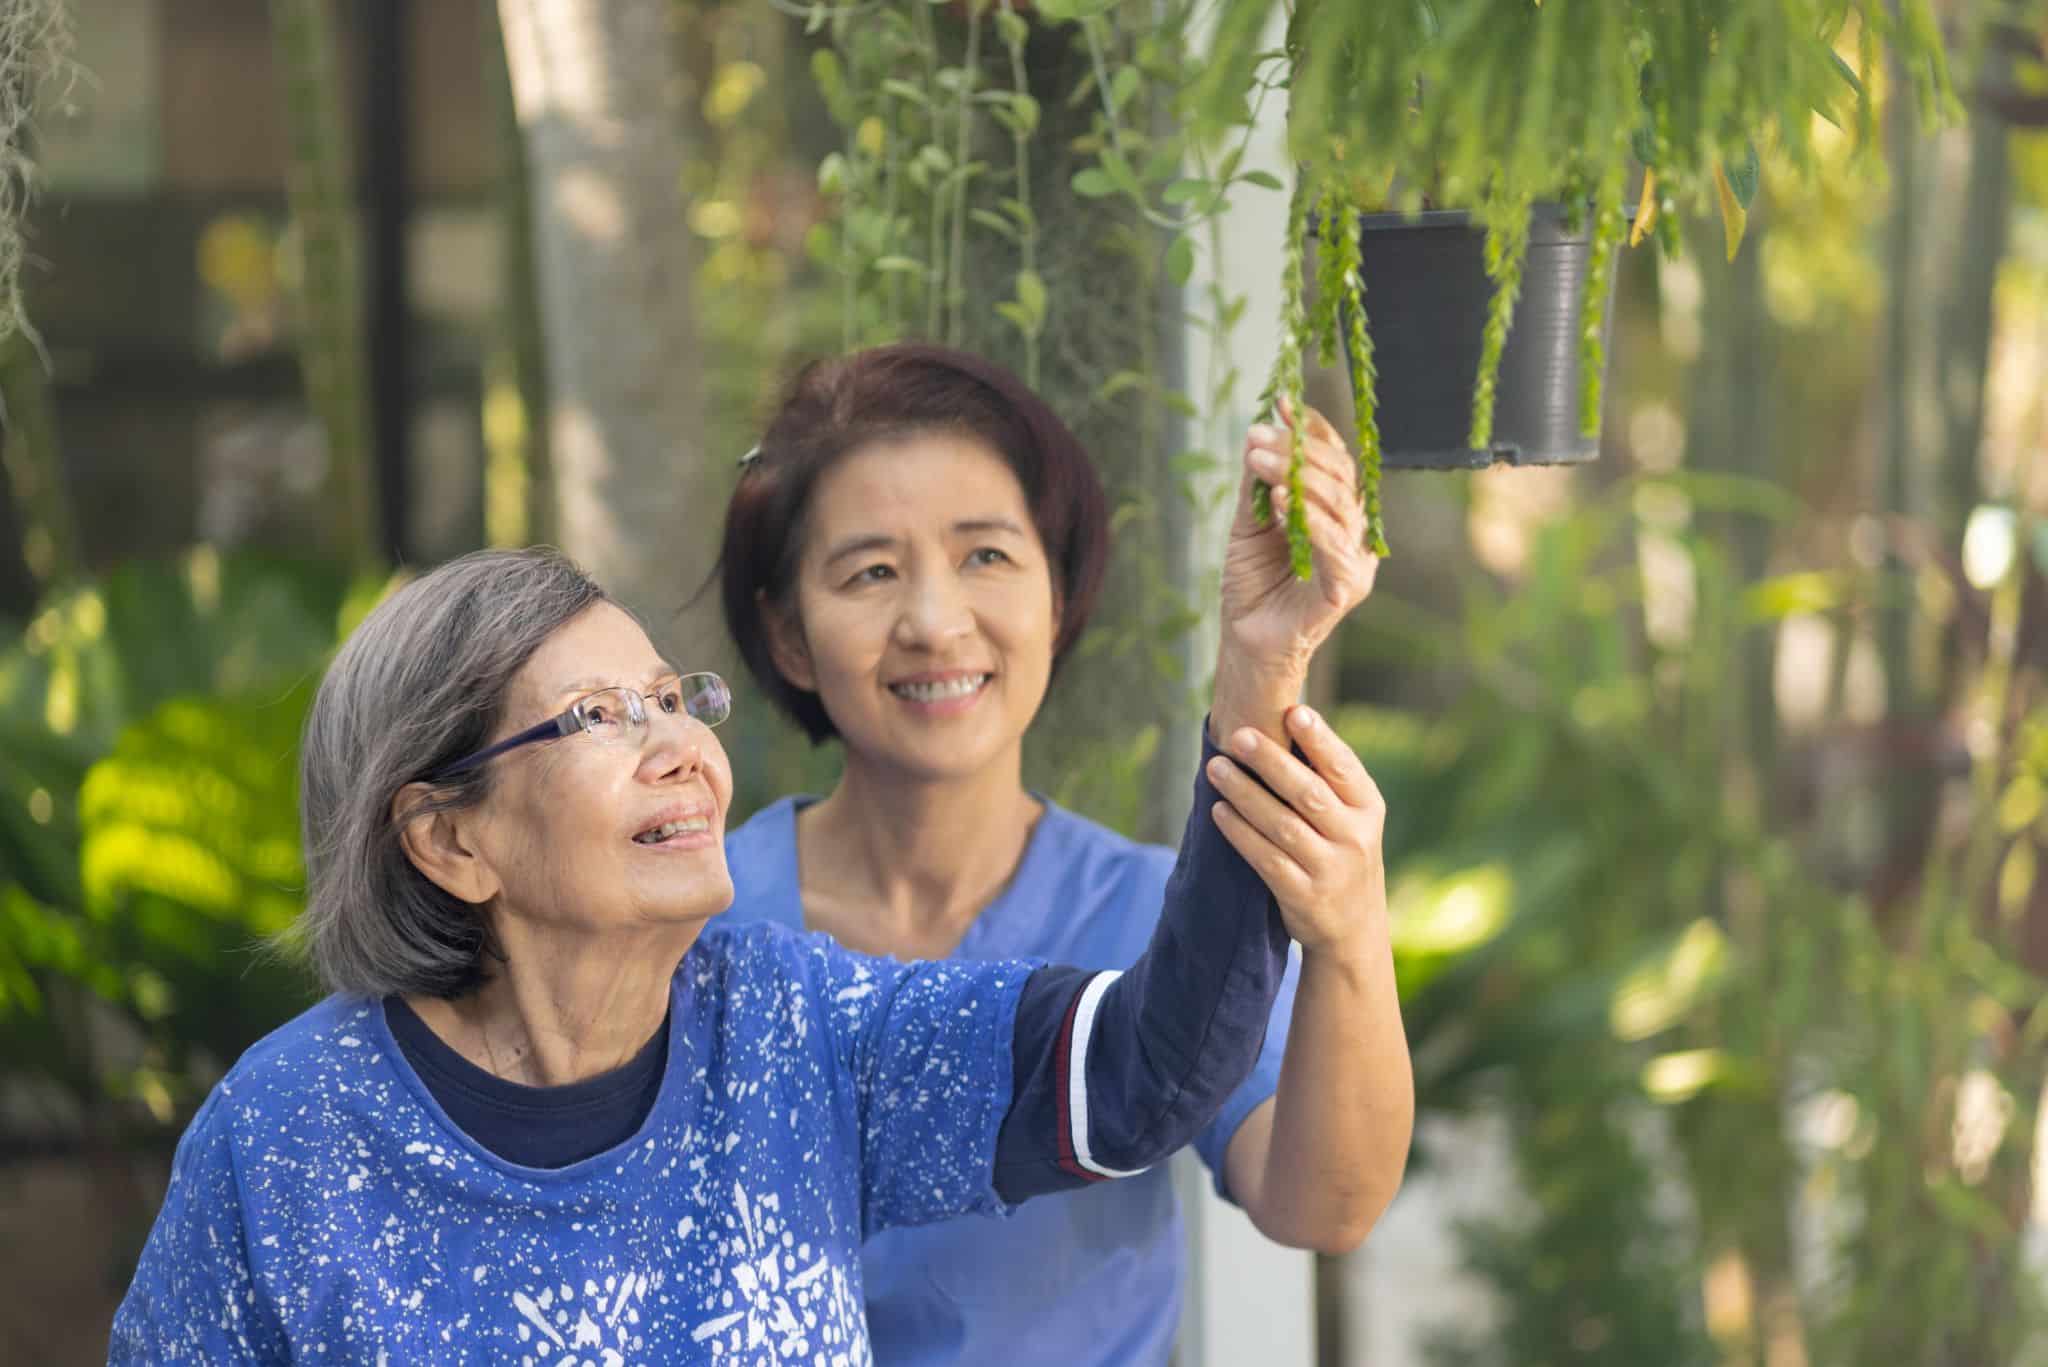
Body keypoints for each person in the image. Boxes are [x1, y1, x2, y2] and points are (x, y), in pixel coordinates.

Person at [108, 515, 1385, 1360]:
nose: (679, 748)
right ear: (449, 840)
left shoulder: (795, 1026)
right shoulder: (287, 1133)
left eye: (674, 698)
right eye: (599, 716)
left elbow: (1143, 1072)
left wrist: (1257, 682)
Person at [716, 343, 1414, 1364]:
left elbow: (1321, 1201)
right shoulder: (698, 918)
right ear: (786, 635)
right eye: (870, 570)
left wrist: (1348, 933)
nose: (933, 621)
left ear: (1056, 589)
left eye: (985, 555)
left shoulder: (1149, 913)